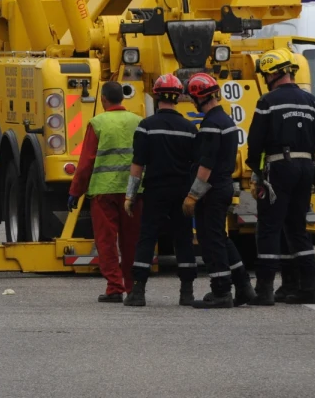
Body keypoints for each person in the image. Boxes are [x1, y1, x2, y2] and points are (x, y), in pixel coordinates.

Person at [245, 49, 315, 305]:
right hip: (306, 168)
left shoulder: (268, 102)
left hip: (279, 167)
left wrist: (256, 174)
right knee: (297, 227)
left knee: (269, 226)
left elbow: (255, 142)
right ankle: (308, 287)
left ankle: (265, 290)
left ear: (271, 73)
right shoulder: (314, 102)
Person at [182, 73, 257, 308]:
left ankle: (221, 292)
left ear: (198, 98)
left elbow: (206, 165)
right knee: (221, 239)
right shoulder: (225, 120)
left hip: (211, 190)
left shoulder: (211, 124)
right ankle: (243, 287)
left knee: (210, 240)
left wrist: (192, 195)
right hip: (223, 187)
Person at [124, 74, 199, 308]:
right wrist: (193, 195)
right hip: (182, 191)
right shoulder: (190, 129)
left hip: (155, 191)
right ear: (178, 97)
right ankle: (186, 292)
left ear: (156, 96)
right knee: (184, 239)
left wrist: (130, 195)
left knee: (147, 237)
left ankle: (138, 292)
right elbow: (196, 165)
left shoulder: (146, 127)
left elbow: (138, 164)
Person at [67, 81, 143, 303]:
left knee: (106, 241)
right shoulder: (138, 121)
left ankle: (114, 288)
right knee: (131, 241)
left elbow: (86, 162)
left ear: (103, 100)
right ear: (123, 98)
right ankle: (132, 287)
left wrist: (75, 191)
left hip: (104, 192)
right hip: (133, 191)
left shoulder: (98, 123)